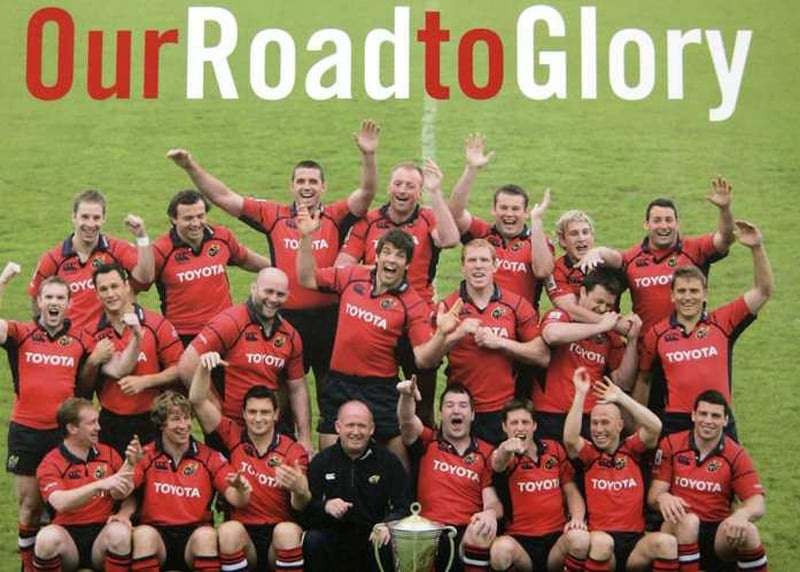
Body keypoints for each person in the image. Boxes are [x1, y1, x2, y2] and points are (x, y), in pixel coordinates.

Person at [167, 120, 380, 404]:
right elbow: (223, 197)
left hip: (330, 319)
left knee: (330, 392)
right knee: (281, 393)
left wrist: (368, 155)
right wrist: (190, 166)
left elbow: (366, 193)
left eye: (313, 182)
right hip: (284, 317)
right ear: (291, 186)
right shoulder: (274, 215)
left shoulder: (335, 215)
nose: (306, 187)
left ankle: (328, 433)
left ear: (323, 187)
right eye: (301, 181)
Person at [1, 267, 140, 572]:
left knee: (59, 507)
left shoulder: (81, 339)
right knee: (30, 507)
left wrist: (137, 336)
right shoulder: (22, 333)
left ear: (69, 304)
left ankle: (58, 558)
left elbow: (120, 369)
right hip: (26, 432)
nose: (54, 302)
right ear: (40, 302)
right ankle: (29, 567)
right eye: (49, 297)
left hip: (64, 434)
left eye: (60, 298)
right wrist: (2, 282)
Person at [297, 214, 459, 463]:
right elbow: (307, 278)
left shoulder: (412, 304)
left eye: (400, 255)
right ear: (377, 255)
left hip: (380, 388)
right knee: (331, 459)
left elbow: (423, 359)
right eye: (387, 252)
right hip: (339, 382)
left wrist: (441, 335)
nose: (392, 259)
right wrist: (306, 236)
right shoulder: (352, 276)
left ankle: (405, 490)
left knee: (396, 462)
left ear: (407, 264)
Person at [336, 158, 460, 427]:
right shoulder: (369, 221)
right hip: (375, 318)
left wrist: (436, 192)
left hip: (417, 319)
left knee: (423, 401)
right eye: (398, 184)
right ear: (389, 187)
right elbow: (342, 265)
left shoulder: (427, 218)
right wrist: (383, 270)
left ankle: (425, 447)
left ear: (419, 192)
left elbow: (451, 239)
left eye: (410, 186)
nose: (403, 190)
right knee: (376, 394)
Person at [634, 220, 774, 438]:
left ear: (705, 294)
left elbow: (763, 291)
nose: (687, 297)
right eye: (681, 291)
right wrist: (637, 429)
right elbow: (644, 379)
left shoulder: (723, 322)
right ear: (672, 296)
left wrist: (757, 248)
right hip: (676, 423)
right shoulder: (657, 334)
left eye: (694, 291)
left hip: (718, 418)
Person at [447, 134, 554, 398]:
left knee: (518, 401)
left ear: (525, 212)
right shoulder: (483, 234)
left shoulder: (537, 240)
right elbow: (454, 213)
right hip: (479, 322)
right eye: (503, 208)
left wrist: (537, 223)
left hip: (520, 330)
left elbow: (543, 271)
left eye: (516, 209)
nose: (509, 214)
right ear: (493, 210)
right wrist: (471, 170)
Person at [189, 352, 310, 572]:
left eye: (265, 412)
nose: (258, 418)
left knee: (287, 531)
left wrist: (299, 489)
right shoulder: (233, 436)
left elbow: (301, 504)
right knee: (228, 530)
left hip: (278, 536)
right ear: (243, 414)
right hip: (245, 536)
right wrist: (203, 368)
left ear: (276, 415)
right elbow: (197, 401)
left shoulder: (292, 450)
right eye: (252, 412)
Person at [178, 267, 312, 454]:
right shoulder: (230, 322)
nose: (273, 299)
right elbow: (187, 365)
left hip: (267, 426)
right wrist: (214, 404)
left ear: (288, 295)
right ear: (253, 288)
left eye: (280, 294)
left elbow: (297, 388)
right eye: (268, 291)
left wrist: (305, 437)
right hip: (230, 428)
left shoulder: (290, 335)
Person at [578, 178, 736, 332]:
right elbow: (615, 258)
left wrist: (725, 210)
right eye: (657, 220)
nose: (664, 226)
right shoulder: (633, 257)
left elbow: (726, 238)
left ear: (677, 224)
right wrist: (597, 251)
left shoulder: (694, 249)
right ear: (646, 224)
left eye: (669, 220)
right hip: (646, 346)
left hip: (688, 343)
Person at [564, 368, 679, 571]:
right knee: (602, 543)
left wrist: (621, 397)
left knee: (667, 543)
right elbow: (570, 439)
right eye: (594, 423)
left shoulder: (632, 449)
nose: (599, 429)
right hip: (600, 540)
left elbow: (655, 427)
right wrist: (580, 394)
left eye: (605, 423)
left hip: (635, 543)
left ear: (619, 425)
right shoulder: (589, 454)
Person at [439, 239, 549, 445]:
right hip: (461, 410)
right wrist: (457, 335)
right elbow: (427, 360)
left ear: (495, 266)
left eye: (484, 260)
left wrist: (500, 343)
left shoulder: (516, 304)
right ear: (463, 267)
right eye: (472, 260)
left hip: (502, 411)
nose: (478, 266)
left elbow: (542, 356)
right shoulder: (448, 307)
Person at [129, 391, 252, 572]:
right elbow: (121, 492)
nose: (184, 425)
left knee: (206, 536)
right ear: (161, 424)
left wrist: (241, 489)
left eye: (187, 418)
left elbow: (238, 500)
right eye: (176, 419)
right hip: (157, 535)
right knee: (143, 535)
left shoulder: (209, 457)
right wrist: (129, 465)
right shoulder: (146, 455)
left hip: (195, 535)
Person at [648, 390, 769, 572]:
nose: (708, 420)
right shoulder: (671, 444)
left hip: (717, 533)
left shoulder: (735, 454)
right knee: (689, 522)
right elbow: (653, 497)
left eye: (715, 416)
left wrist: (742, 514)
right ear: (693, 416)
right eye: (703, 414)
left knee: (750, 531)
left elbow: (757, 502)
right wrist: (663, 498)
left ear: (725, 420)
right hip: (679, 526)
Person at [397, 377, 500, 572]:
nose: (456, 410)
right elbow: (407, 421)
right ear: (441, 413)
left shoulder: (486, 452)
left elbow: (492, 500)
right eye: (450, 405)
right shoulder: (428, 440)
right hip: (429, 532)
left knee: (481, 529)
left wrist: (490, 513)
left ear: (472, 414)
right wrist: (406, 396)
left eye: (463, 405)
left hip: (465, 533)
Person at [145, 189, 271, 345]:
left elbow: (245, 259)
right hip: (183, 336)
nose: (196, 223)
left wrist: (281, 267)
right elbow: (136, 285)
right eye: (188, 218)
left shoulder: (221, 237)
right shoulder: (160, 251)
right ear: (173, 219)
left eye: (200, 216)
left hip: (223, 328)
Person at [86, 263, 184, 455]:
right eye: (103, 289)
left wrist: (146, 381)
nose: (110, 294)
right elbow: (83, 387)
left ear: (127, 287)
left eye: (114, 286)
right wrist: (91, 362)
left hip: (152, 419)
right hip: (110, 421)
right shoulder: (91, 333)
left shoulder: (156, 324)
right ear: (97, 294)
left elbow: (179, 369)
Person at [303, 400, 410, 572]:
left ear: (371, 429)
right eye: (350, 425)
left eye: (362, 426)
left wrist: (387, 524)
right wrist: (325, 506)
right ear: (338, 427)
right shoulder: (321, 462)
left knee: (384, 542)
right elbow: (306, 511)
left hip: (372, 537)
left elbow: (404, 506)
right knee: (313, 540)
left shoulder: (388, 462)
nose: (356, 432)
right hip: (334, 538)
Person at [535, 268, 641, 441]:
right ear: (583, 292)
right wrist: (600, 326)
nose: (602, 309)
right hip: (552, 414)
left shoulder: (610, 335)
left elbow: (623, 382)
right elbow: (551, 335)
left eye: (609, 305)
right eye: (599, 301)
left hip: (590, 418)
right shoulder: (562, 315)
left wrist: (632, 341)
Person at [33, 398, 139, 572]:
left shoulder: (109, 454)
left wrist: (130, 464)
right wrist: (99, 485)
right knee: (46, 538)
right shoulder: (51, 462)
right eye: (92, 423)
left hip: (102, 533)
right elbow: (60, 502)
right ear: (72, 428)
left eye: (97, 421)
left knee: (120, 533)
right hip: (67, 536)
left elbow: (126, 495)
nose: (98, 427)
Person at [28, 189, 154, 332]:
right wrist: (47, 333)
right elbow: (36, 298)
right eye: (85, 217)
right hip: (71, 341)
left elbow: (145, 277)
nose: (90, 224)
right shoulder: (53, 259)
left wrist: (142, 237)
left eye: (96, 218)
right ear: (74, 217)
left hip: (109, 339)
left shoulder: (117, 249)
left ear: (104, 218)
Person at [489, 397, 589, 572]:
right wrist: (506, 448)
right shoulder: (504, 455)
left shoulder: (554, 449)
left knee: (580, 538)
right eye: (514, 423)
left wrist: (578, 519)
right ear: (504, 427)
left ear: (534, 425)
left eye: (525, 422)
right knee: (500, 550)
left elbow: (571, 490)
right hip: (520, 541)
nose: (520, 427)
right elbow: (498, 463)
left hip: (556, 539)